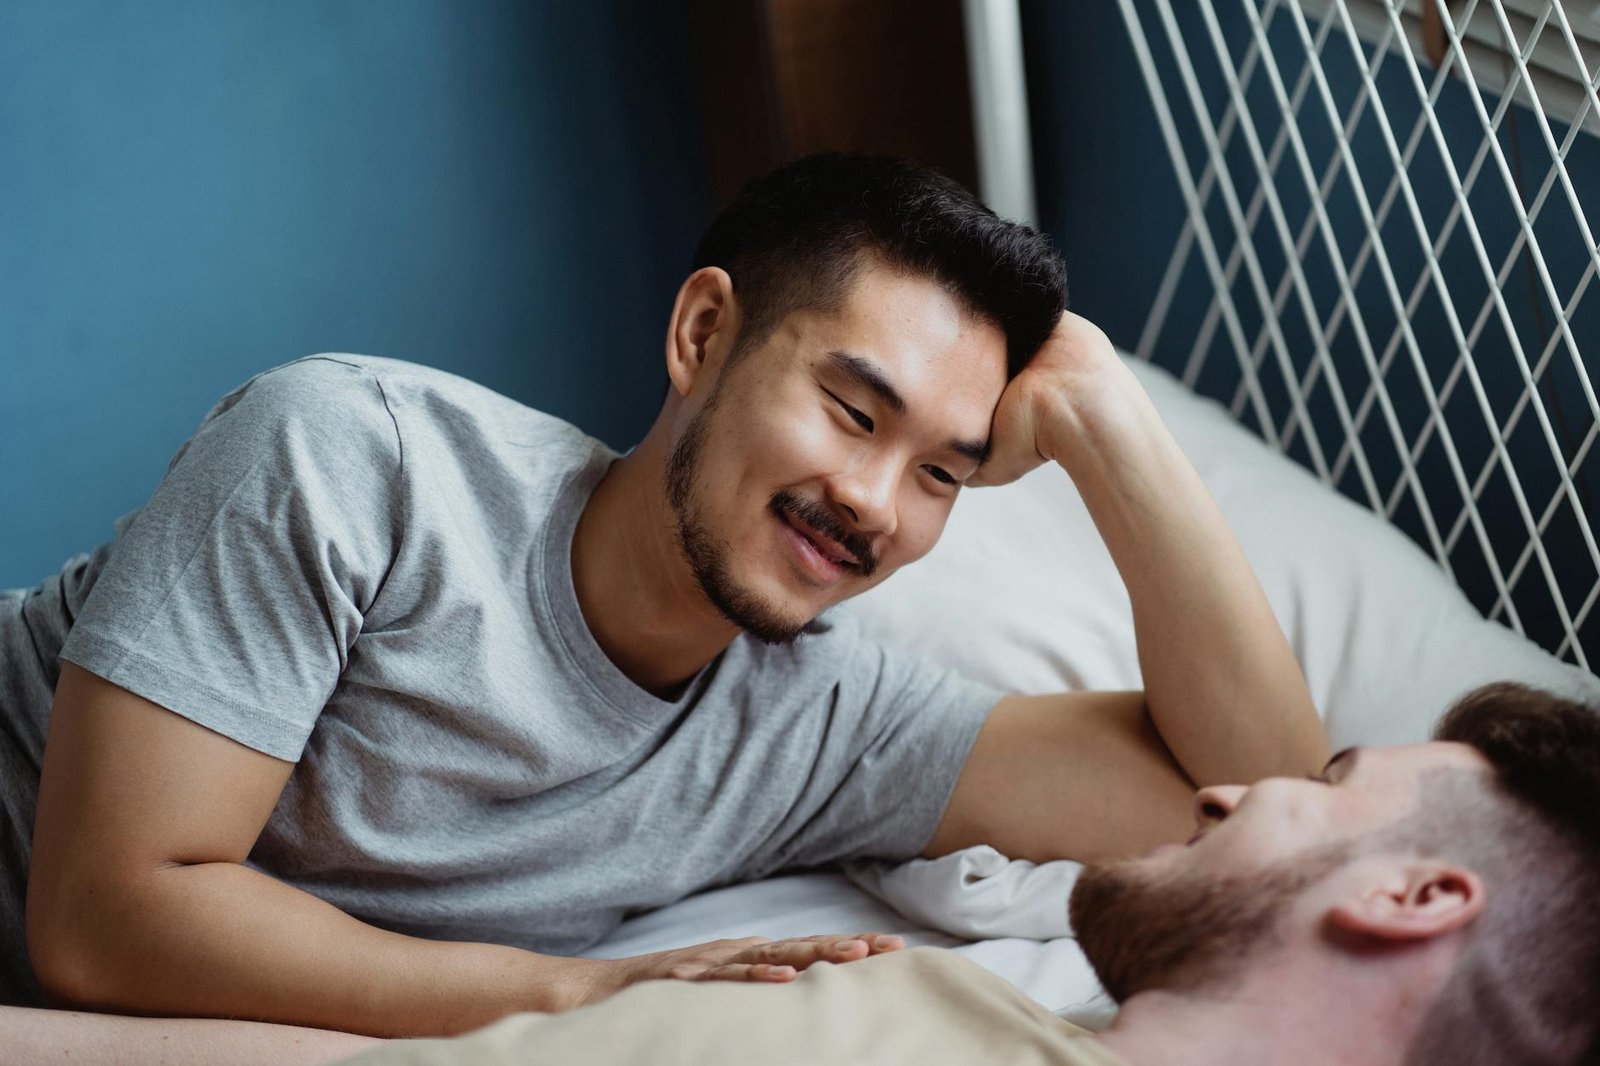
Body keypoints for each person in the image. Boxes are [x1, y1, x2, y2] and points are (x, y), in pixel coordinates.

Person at [1, 153, 1328, 1046]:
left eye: (939, 471)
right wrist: (584, 996)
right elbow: (106, 915)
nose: (873, 499)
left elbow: (1279, 809)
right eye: (851, 410)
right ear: (703, 335)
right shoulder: (357, 459)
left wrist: (1113, 432)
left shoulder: (820, 724)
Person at [326, 681, 1600, 1066]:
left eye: (1324, 783)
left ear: (1412, 896)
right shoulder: (897, 999)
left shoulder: (889, 1015)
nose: (1224, 789)